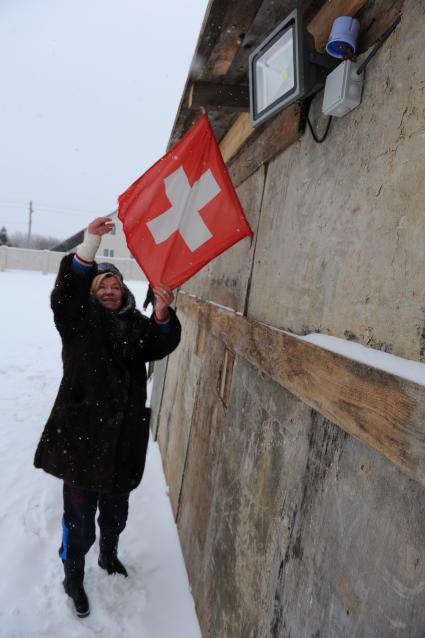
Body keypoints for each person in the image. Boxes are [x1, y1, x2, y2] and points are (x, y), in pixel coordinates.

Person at [34, 217, 181, 618]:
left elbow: (160, 342)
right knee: (80, 520)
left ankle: (109, 555)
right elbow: (65, 295)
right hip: (84, 440)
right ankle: (73, 574)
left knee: (115, 513)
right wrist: (90, 245)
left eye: (116, 286)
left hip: (122, 442)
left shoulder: (135, 324)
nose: (112, 291)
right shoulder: (77, 321)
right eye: (103, 286)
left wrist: (164, 313)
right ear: (93, 293)